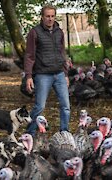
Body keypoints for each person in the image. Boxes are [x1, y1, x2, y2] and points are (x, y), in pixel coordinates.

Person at [24, 4, 71, 136]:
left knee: (66, 106)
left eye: (52, 16)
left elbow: (62, 53)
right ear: (42, 17)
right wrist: (28, 76)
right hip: (42, 75)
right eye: (47, 16)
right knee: (40, 107)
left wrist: (66, 73)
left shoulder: (59, 32)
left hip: (59, 74)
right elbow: (29, 55)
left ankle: (64, 132)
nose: (50, 19)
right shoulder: (35, 32)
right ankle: (30, 133)